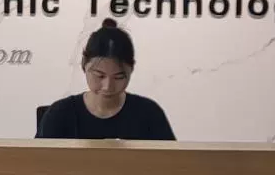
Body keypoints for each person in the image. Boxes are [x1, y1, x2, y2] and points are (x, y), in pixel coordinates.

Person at [36, 19, 175, 141]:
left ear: (131, 69)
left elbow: (172, 160)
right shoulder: (60, 114)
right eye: (99, 76)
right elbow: (37, 160)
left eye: (118, 77)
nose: (108, 86)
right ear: (84, 64)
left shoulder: (149, 114)